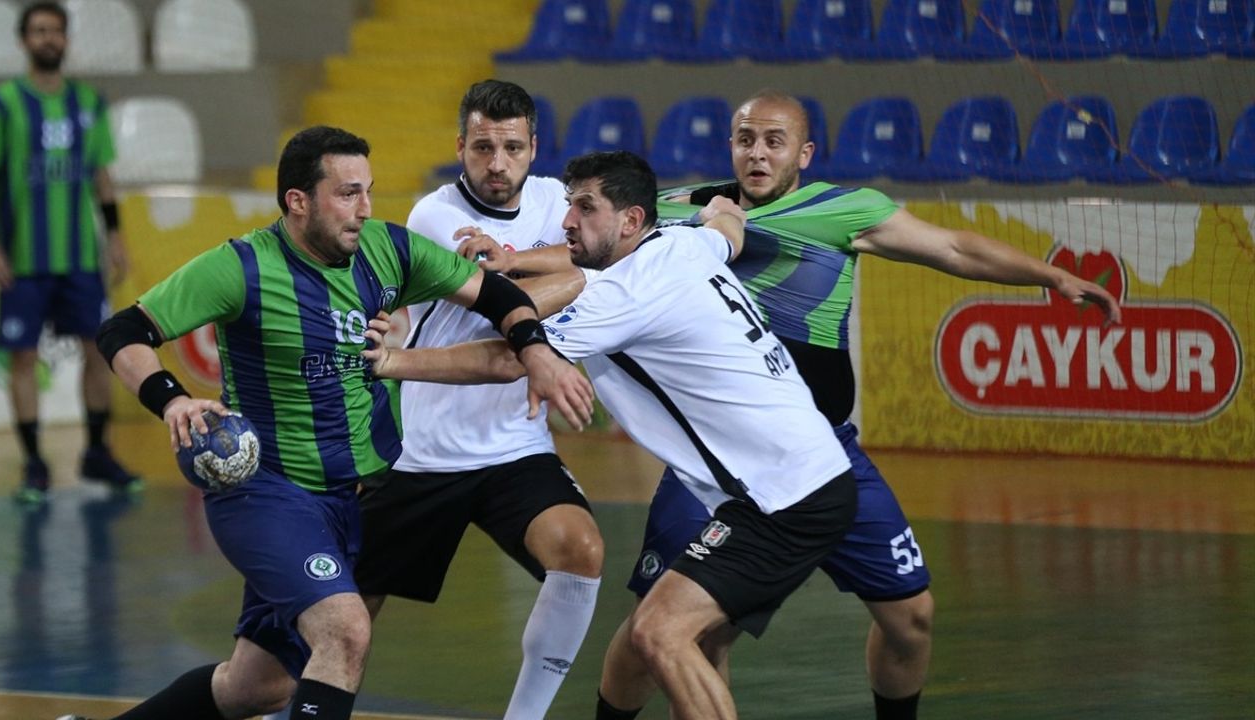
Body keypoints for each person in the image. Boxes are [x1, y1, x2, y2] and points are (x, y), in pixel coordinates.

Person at [470, 90, 1122, 719]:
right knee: (670, 633)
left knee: (912, 617)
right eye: (746, 139)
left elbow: (953, 247)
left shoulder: (843, 211)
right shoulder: (692, 208)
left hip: (823, 457)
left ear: (804, 153)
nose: (757, 154)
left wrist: (1050, 275)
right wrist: (512, 262)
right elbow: (590, 250)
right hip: (717, 468)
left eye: (774, 142)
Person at [63, 125, 593, 720]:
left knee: (256, 687)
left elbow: (493, 294)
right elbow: (123, 331)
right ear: (298, 201)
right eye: (347, 194)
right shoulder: (241, 268)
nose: (364, 210)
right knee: (345, 632)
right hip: (266, 494)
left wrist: (534, 349)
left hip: (347, 499)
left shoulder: (388, 250)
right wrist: (173, 400)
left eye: (367, 192)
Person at [365, 149, 862, 719]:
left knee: (660, 633)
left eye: (585, 208)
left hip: (785, 498)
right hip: (787, 483)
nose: (567, 221)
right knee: (632, 652)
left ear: (629, 221)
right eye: (569, 205)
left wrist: (391, 364)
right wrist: (723, 211)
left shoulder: (628, 290)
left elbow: (510, 360)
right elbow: (729, 231)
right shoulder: (681, 244)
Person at [352, 80, 602, 720]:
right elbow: (499, 313)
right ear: (460, 146)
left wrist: (515, 258)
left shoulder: (554, 201)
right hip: (424, 453)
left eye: (513, 147)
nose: (497, 164)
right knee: (348, 613)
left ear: (533, 147)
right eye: (483, 147)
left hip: (515, 448)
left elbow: (590, 256)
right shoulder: (436, 216)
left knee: (580, 549)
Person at [0, 1, 138, 505]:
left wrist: (114, 237)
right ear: (24, 41)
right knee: (22, 359)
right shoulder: (0, 107)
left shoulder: (88, 104)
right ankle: (34, 461)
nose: (48, 38)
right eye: (39, 30)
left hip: (80, 261)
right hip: (23, 261)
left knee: (99, 351)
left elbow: (102, 178)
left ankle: (96, 452)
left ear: (66, 40)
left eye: (56, 31)